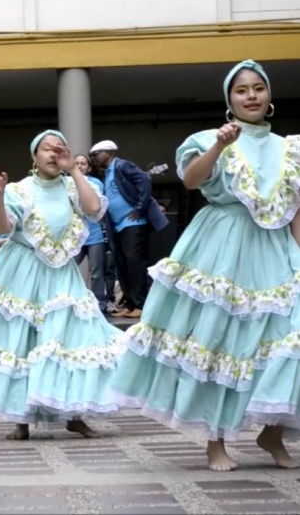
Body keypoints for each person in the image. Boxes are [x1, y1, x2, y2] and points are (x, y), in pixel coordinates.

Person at [110, 60, 300, 472]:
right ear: (229, 100)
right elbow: (192, 181)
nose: (251, 96)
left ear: (269, 97)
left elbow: (295, 207)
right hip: (223, 245)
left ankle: (272, 431)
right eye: (241, 90)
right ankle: (216, 441)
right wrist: (219, 145)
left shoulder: (291, 148)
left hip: (276, 249)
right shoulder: (205, 139)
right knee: (219, 341)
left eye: (258, 88)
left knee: (289, 340)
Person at [0, 130, 125, 441]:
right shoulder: (21, 189)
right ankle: (22, 418)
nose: (53, 153)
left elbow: (95, 211)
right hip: (22, 272)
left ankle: (74, 413)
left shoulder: (73, 185)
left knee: (71, 339)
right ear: (34, 156)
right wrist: (0, 195)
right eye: (47, 148)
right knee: (23, 341)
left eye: (60, 149)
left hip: (61, 275)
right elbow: (3, 228)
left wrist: (74, 169)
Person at [91, 140, 168, 318]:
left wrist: (140, 208)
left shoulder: (122, 165)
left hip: (133, 224)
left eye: (96, 154)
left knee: (134, 263)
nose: (94, 158)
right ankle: (130, 303)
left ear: (108, 153)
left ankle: (140, 305)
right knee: (122, 264)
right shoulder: (107, 173)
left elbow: (144, 180)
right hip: (118, 226)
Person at [72, 154, 110, 311]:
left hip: (95, 234)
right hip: (74, 235)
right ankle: (70, 301)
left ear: (88, 167)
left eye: (83, 163)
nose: (80, 166)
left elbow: (96, 206)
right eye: (77, 163)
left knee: (96, 272)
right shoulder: (66, 183)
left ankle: (99, 304)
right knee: (69, 268)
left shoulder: (95, 183)